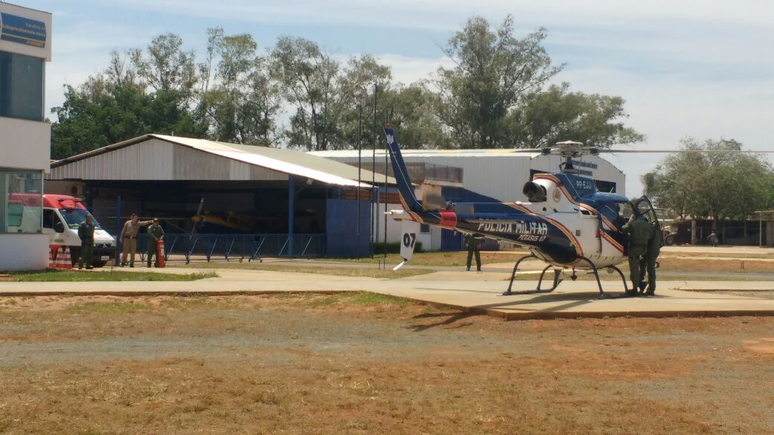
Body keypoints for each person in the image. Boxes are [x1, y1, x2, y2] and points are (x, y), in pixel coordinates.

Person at [622, 213, 654, 295]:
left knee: (634, 268)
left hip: (635, 248)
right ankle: (641, 283)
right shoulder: (648, 225)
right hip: (644, 249)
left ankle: (635, 288)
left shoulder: (633, 223)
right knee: (642, 265)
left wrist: (629, 221)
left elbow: (624, 229)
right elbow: (651, 235)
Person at [640, 220, 661, 296]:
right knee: (647, 267)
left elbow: (646, 241)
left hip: (651, 252)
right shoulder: (657, 232)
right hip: (654, 252)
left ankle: (651, 288)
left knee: (650, 269)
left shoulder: (652, 232)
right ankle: (648, 286)